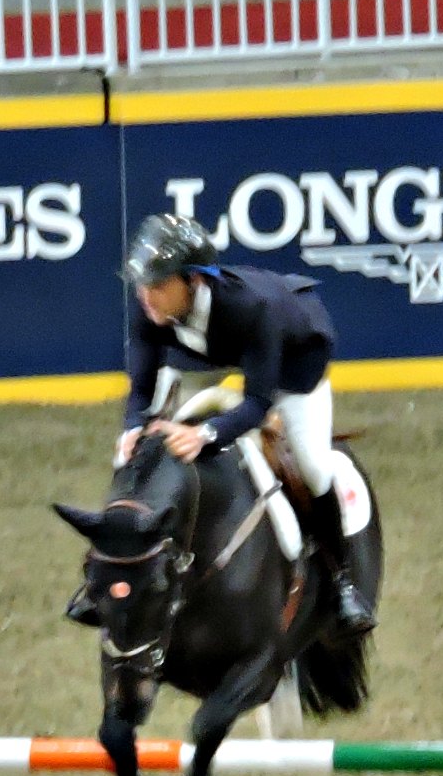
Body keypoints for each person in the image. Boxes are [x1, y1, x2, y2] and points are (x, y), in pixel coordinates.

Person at [118, 213, 377, 635]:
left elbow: (257, 403)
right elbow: (140, 391)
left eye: (160, 284)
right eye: (143, 284)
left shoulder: (253, 308)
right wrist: (132, 430)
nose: (147, 296)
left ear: (194, 280)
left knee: (312, 468)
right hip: (212, 356)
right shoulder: (151, 306)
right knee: (132, 450)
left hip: (295, 360)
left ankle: (342, 580)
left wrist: (203, 434)